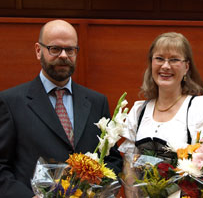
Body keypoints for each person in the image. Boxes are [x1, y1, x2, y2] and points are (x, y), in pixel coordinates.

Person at [0, 19, 122, 198]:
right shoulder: (10, 102)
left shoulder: (97, 102)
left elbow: (112, 160)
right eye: (55, 49)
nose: (64, 55)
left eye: (70, 49)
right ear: (38, 51)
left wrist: (97, 189)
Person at [119, 32, 203, 164]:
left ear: (186, 67)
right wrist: (131, 185)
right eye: (159, 58)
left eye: (174, 60)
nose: (165, 66)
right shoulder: (139, 111)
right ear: (151, 63)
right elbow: (129, 166)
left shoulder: (202, 108)